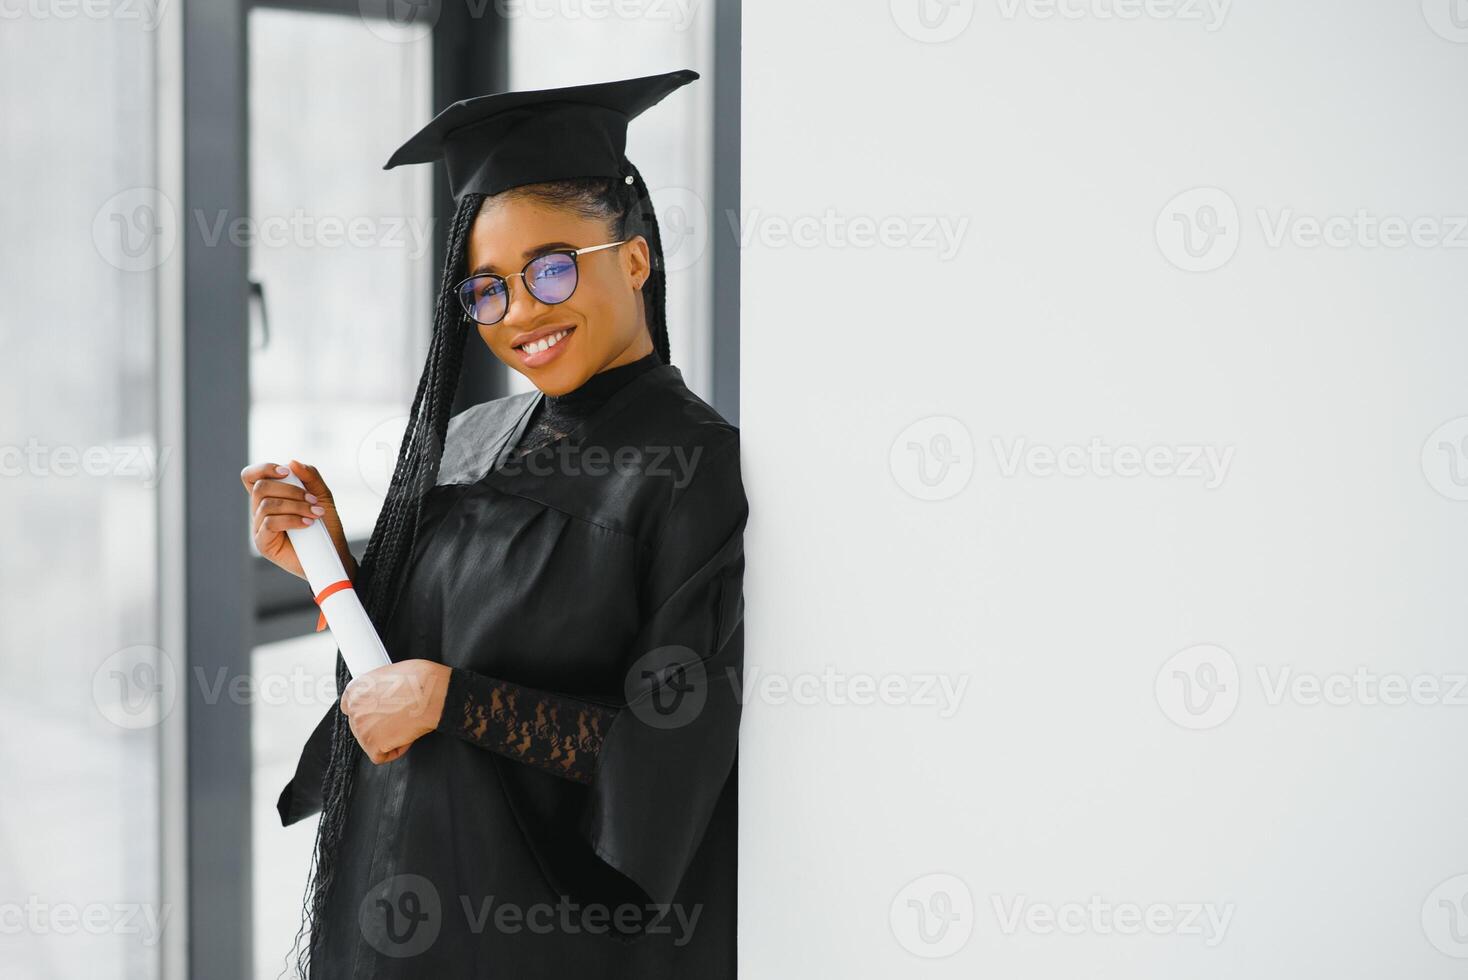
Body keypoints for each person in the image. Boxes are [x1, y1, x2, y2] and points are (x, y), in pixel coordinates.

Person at [238, 69, 746, 978]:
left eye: (552, 267)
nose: (520, 313)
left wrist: (450, 702)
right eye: (487, 289)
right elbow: (417, 651)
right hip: (394, 888)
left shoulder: (692, 465)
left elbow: (670, 751)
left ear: (634, 258)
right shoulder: (474, 435)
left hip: (539, 932)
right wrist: (326, 558)